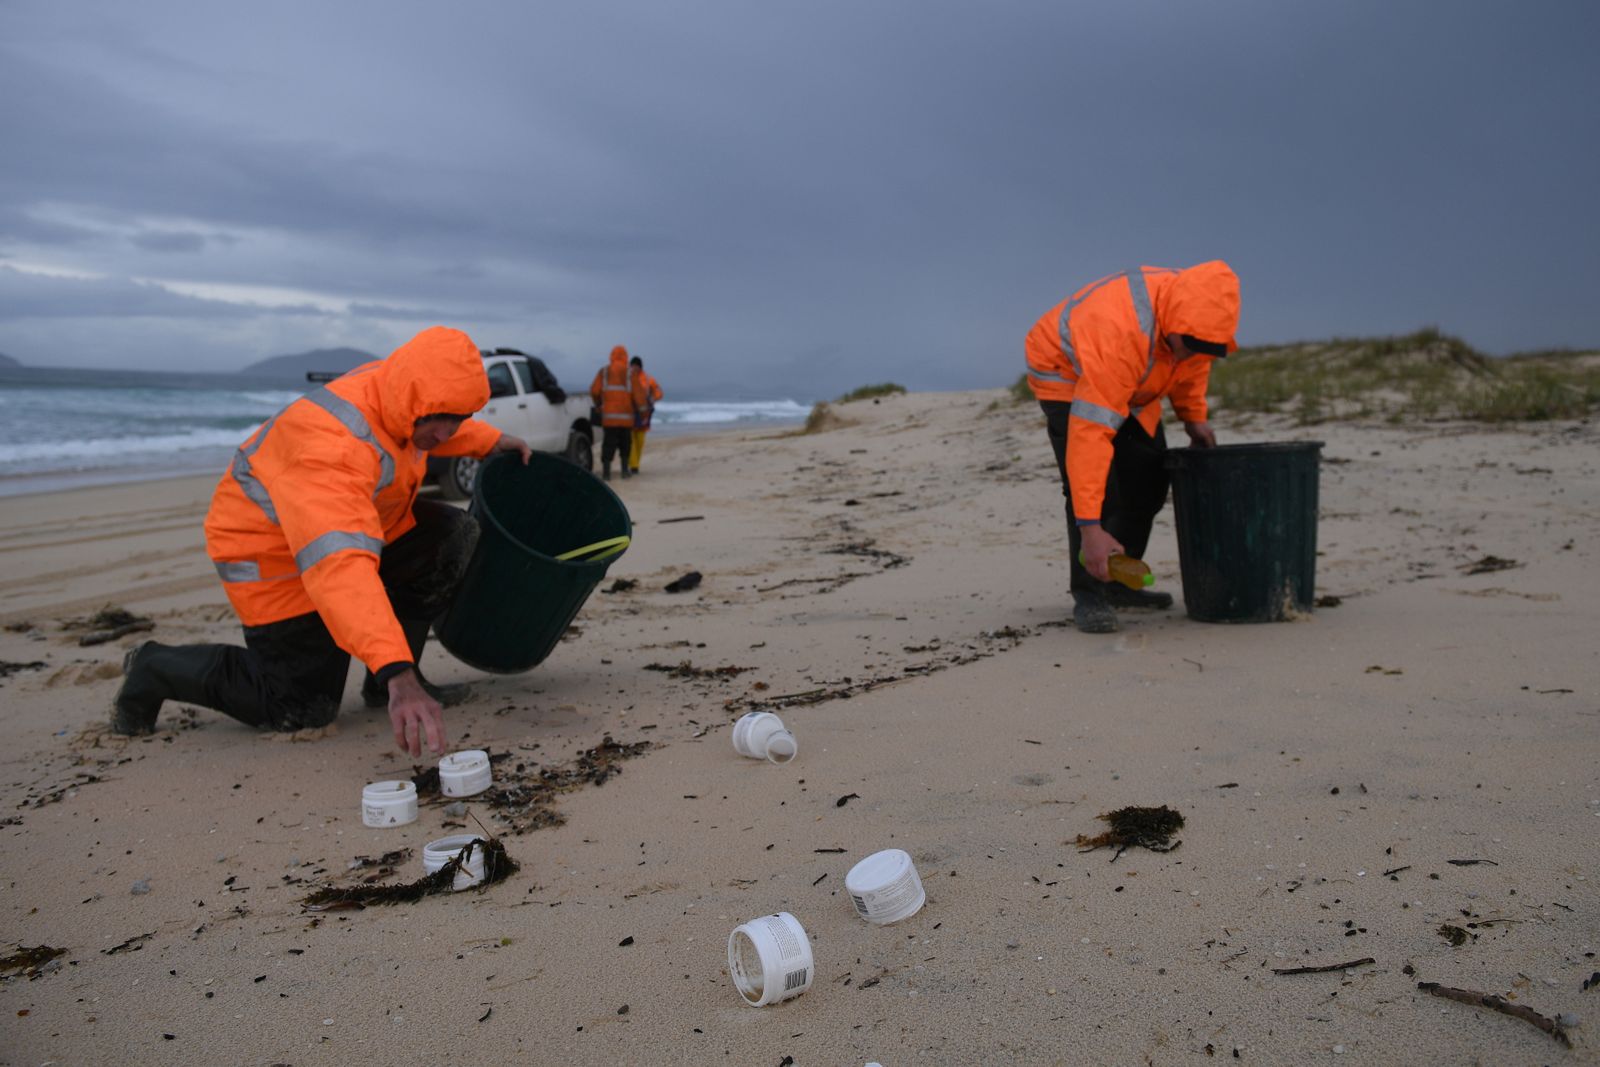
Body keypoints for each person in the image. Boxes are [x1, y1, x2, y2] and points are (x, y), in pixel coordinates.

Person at [111, 326, 532, 756]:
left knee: (450, 536)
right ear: (412, 398)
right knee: (301, 707)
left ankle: (382, 685)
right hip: (274, 559)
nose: (448, 433)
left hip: (352, 530)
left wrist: (492, 442)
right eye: (443, 419)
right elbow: (341, 566)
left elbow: (432, 427)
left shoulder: (394, 391)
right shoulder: (332, 449)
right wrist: (396, 672)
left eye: (458, 419)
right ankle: (154, 667)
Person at [1023, 261, 1239, 634]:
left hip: (1135, 382)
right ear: (1173, 326)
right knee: (1098, 491)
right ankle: (1090, 594)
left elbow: (1190, 366)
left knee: (1150, 481)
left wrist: (1193, 417)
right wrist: (1090, 528)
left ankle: (1121, 581)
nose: (1191, 354)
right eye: (1187, 346)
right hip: (1066, 374)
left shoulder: (1196, 320)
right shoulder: (1120, 333)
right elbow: (1090, 438)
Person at [590, 344, 646, 481]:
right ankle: (625, 471)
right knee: (625, 444)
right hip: (626, 419)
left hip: (609, 418)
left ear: (612, 356)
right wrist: (643, 414)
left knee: (608, 444)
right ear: (626, 357)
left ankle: (606, 473)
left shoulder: (604, 372)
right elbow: (639, 396)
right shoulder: (630, 374)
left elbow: (594, 391)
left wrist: (598, 405)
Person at [627, 354, 663, 474]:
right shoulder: (626, 378)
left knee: (640, 440)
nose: (634, 368)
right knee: (631, 439)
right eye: (632, 365)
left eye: (636, 366)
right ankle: (633, 465)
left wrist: (653, 398)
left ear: (640, 367)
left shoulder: (648, 379)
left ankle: (635, 462)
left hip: (644, 413)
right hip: (630, 412)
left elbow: (658, 392)